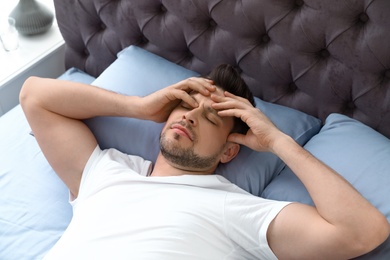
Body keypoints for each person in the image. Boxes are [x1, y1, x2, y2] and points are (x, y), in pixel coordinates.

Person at [20, 64, 389, 259]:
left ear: (230, 151)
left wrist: (278, 141)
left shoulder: (237, 209)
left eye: (211, 117)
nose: (190, 116)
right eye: (184, 105)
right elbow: (34, 95)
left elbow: (362, 232)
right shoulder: (107, 171)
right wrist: (140, 106)